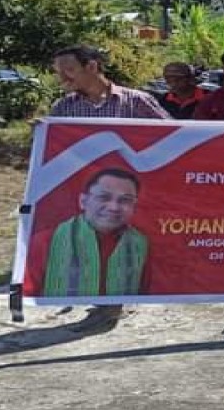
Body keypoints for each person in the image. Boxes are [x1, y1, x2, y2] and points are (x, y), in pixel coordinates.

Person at [49, 44, 168, 328]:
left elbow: (170, 135)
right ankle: (103, 304)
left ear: (91, 67)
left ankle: (114, 302)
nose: (62, 78)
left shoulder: (136, 101)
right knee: (91, 244)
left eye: (69, 70)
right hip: (91, 196)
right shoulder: (64, 107)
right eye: (58, 72)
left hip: (133, 195)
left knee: (127, 247)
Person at [43, 169, 148, 296]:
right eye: (103, 197)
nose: (114, 207)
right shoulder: (47, 241)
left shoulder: (140, 244)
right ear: (83, 201)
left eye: (125, 200)